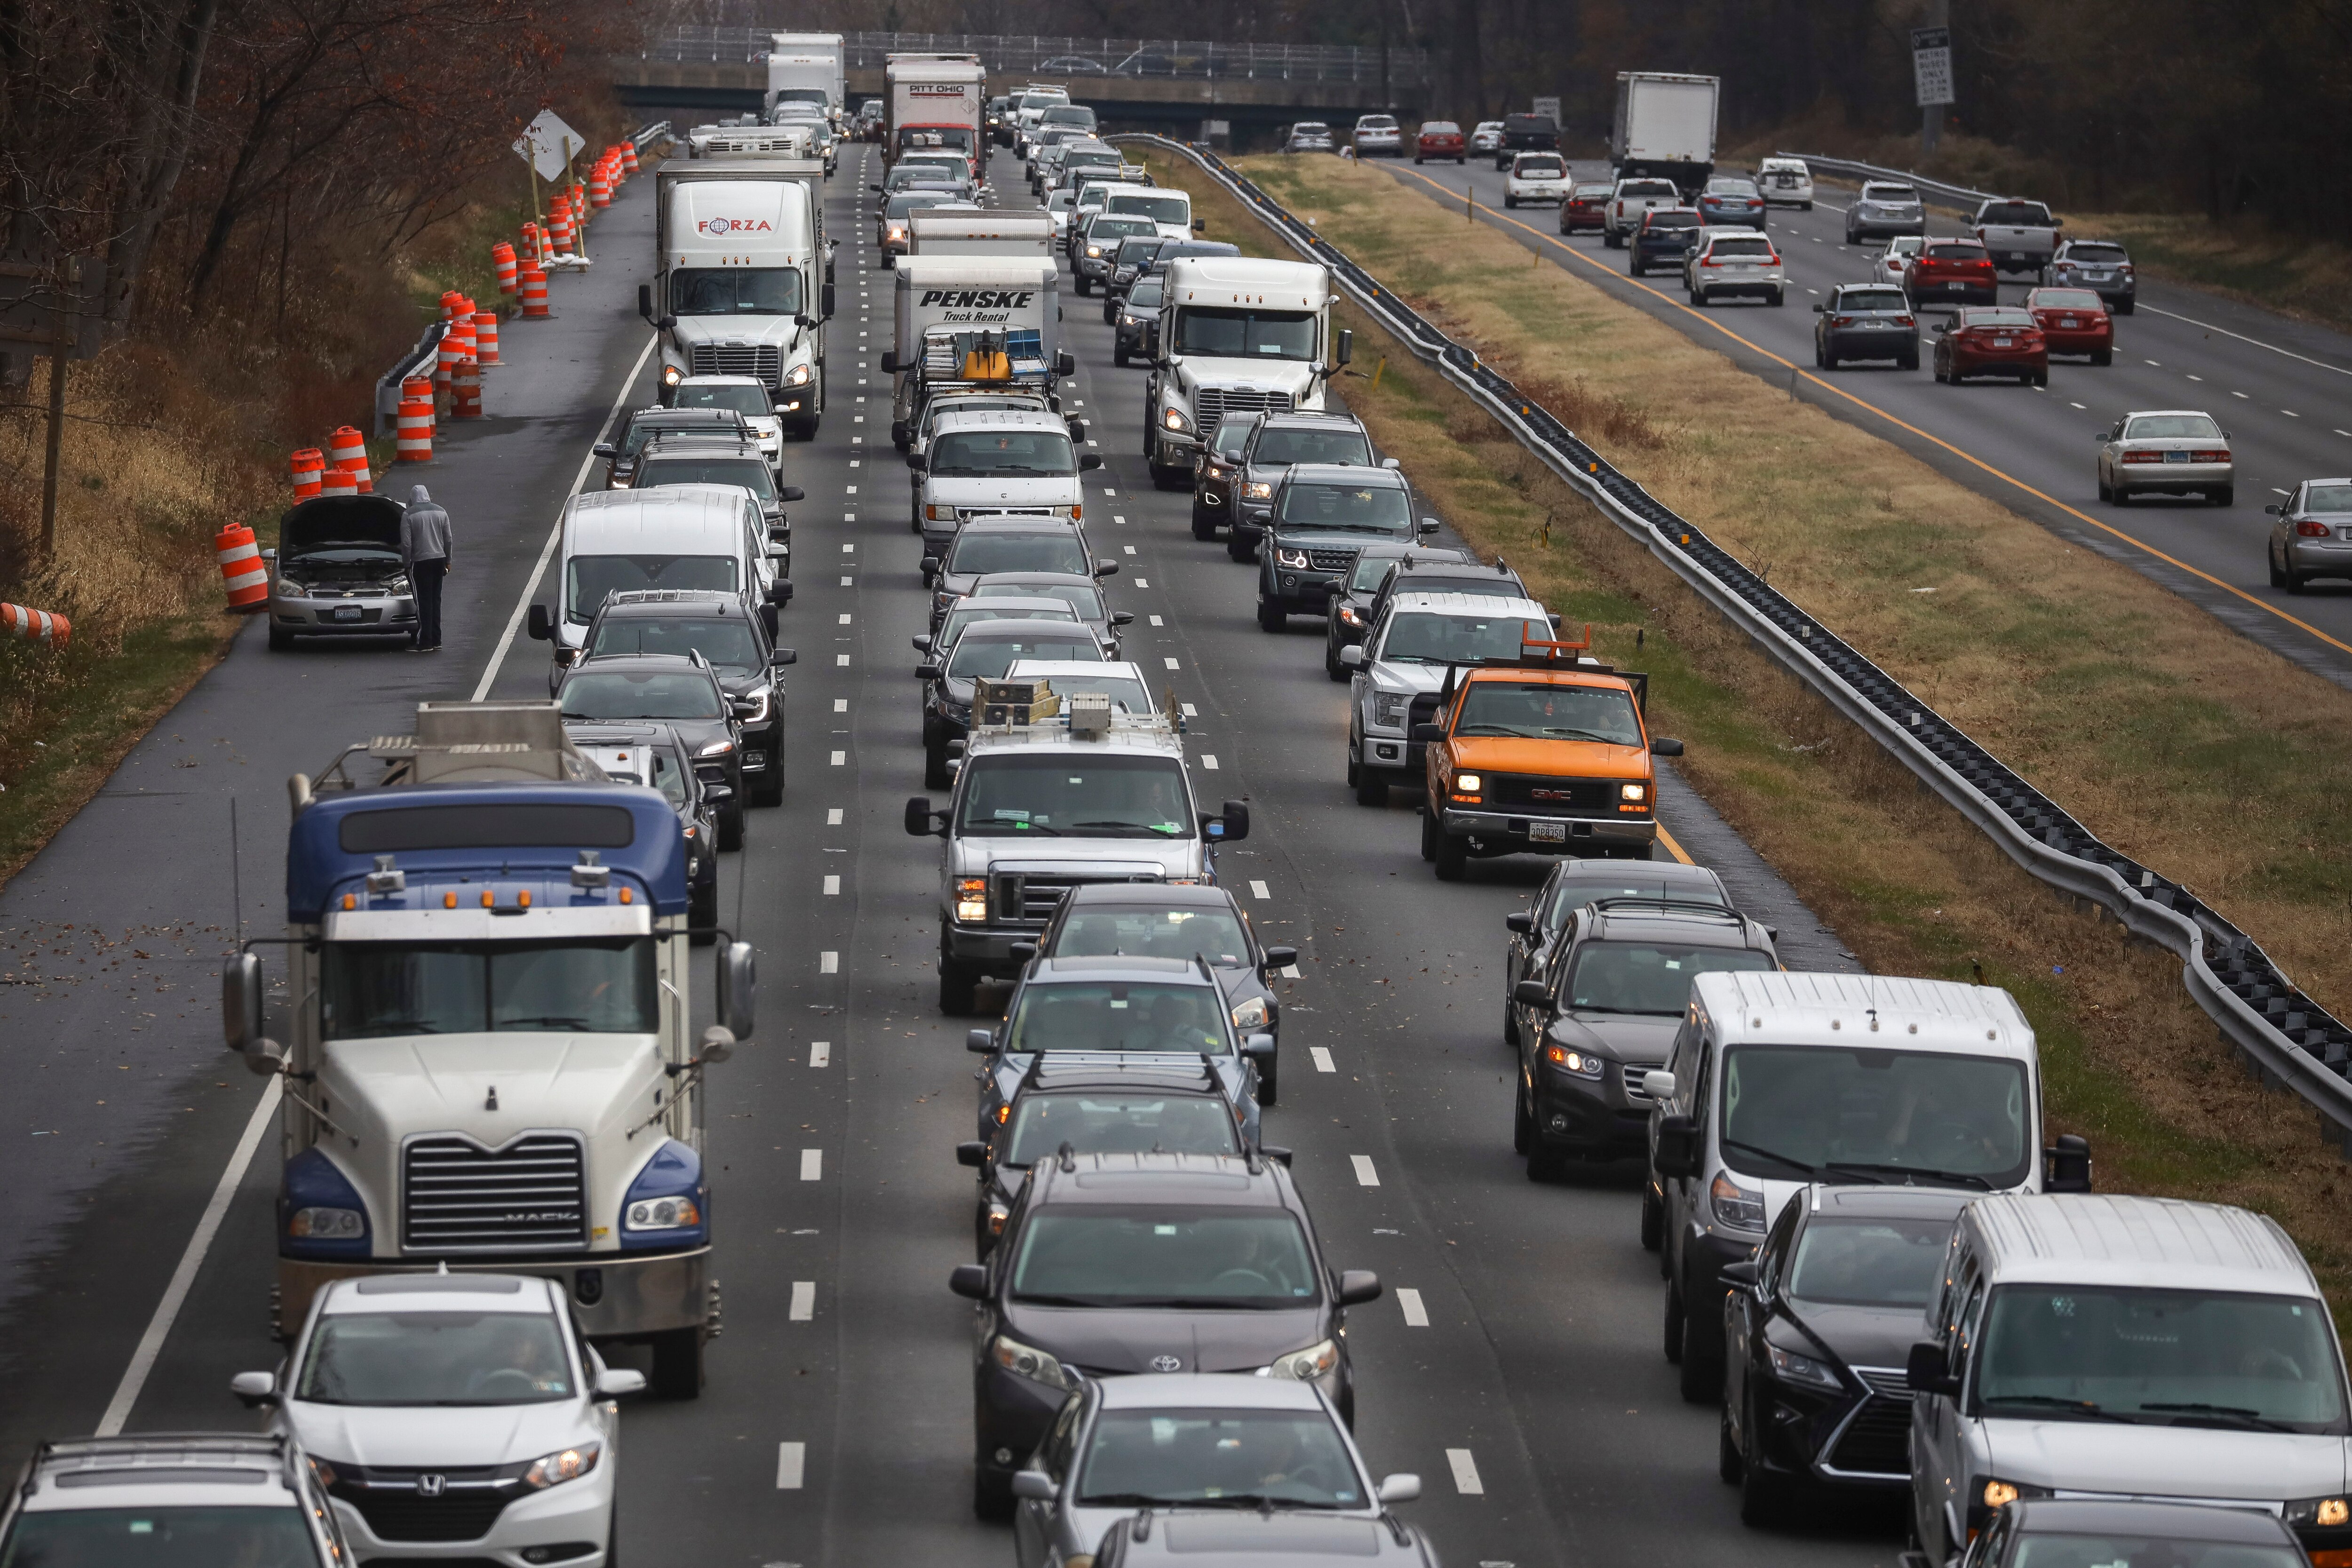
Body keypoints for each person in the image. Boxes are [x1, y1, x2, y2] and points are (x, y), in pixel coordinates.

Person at [400, 484, 452, 652]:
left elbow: (407, 543)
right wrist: (448, 560)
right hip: (439, 560)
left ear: (412, 499)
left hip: (420, 563)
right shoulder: (441, 511)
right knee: (436, 600)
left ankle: (424, 642)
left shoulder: (408, 515)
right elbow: (449, 539)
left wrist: (407, 564)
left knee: (423, 602)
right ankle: (437, 640)